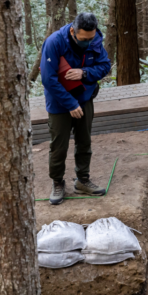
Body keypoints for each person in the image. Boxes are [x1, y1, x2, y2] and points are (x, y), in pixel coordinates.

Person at [39, 12, 112, 205]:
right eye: (83, 39)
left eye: (91, 38)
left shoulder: (95, 40)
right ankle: (57, 182)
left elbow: (105, 65)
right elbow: (48, 79)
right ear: (72, 31)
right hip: (59, 102)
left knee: (84, 141)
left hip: (84, 97)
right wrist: (70, 104)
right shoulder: (54, 42)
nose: (87, 42)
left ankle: (83, 180)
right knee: (59, 146)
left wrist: (84, 73)